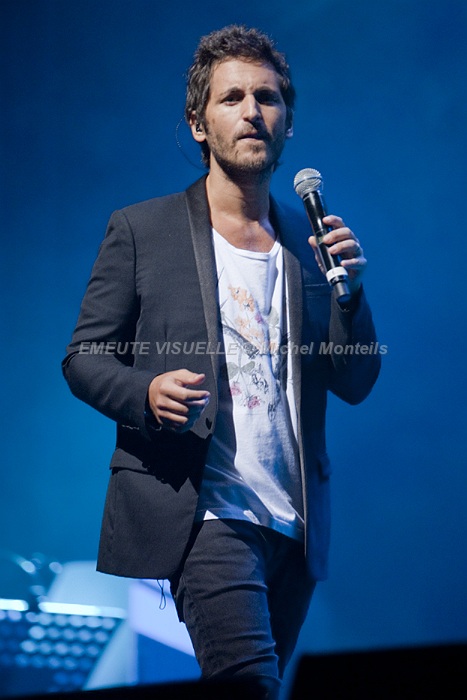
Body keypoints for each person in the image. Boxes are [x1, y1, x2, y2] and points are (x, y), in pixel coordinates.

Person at [63, 25, 380, 699]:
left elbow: (354, 381)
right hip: (204, 513)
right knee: (248, 686)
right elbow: (84, 357)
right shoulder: (142, 230)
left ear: (288, 120)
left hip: (293, 525)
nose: (252, 112)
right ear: (199, 123)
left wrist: (351, 296)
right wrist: (145, 393)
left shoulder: (308, 243)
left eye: (267, 97)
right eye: (232, 97)